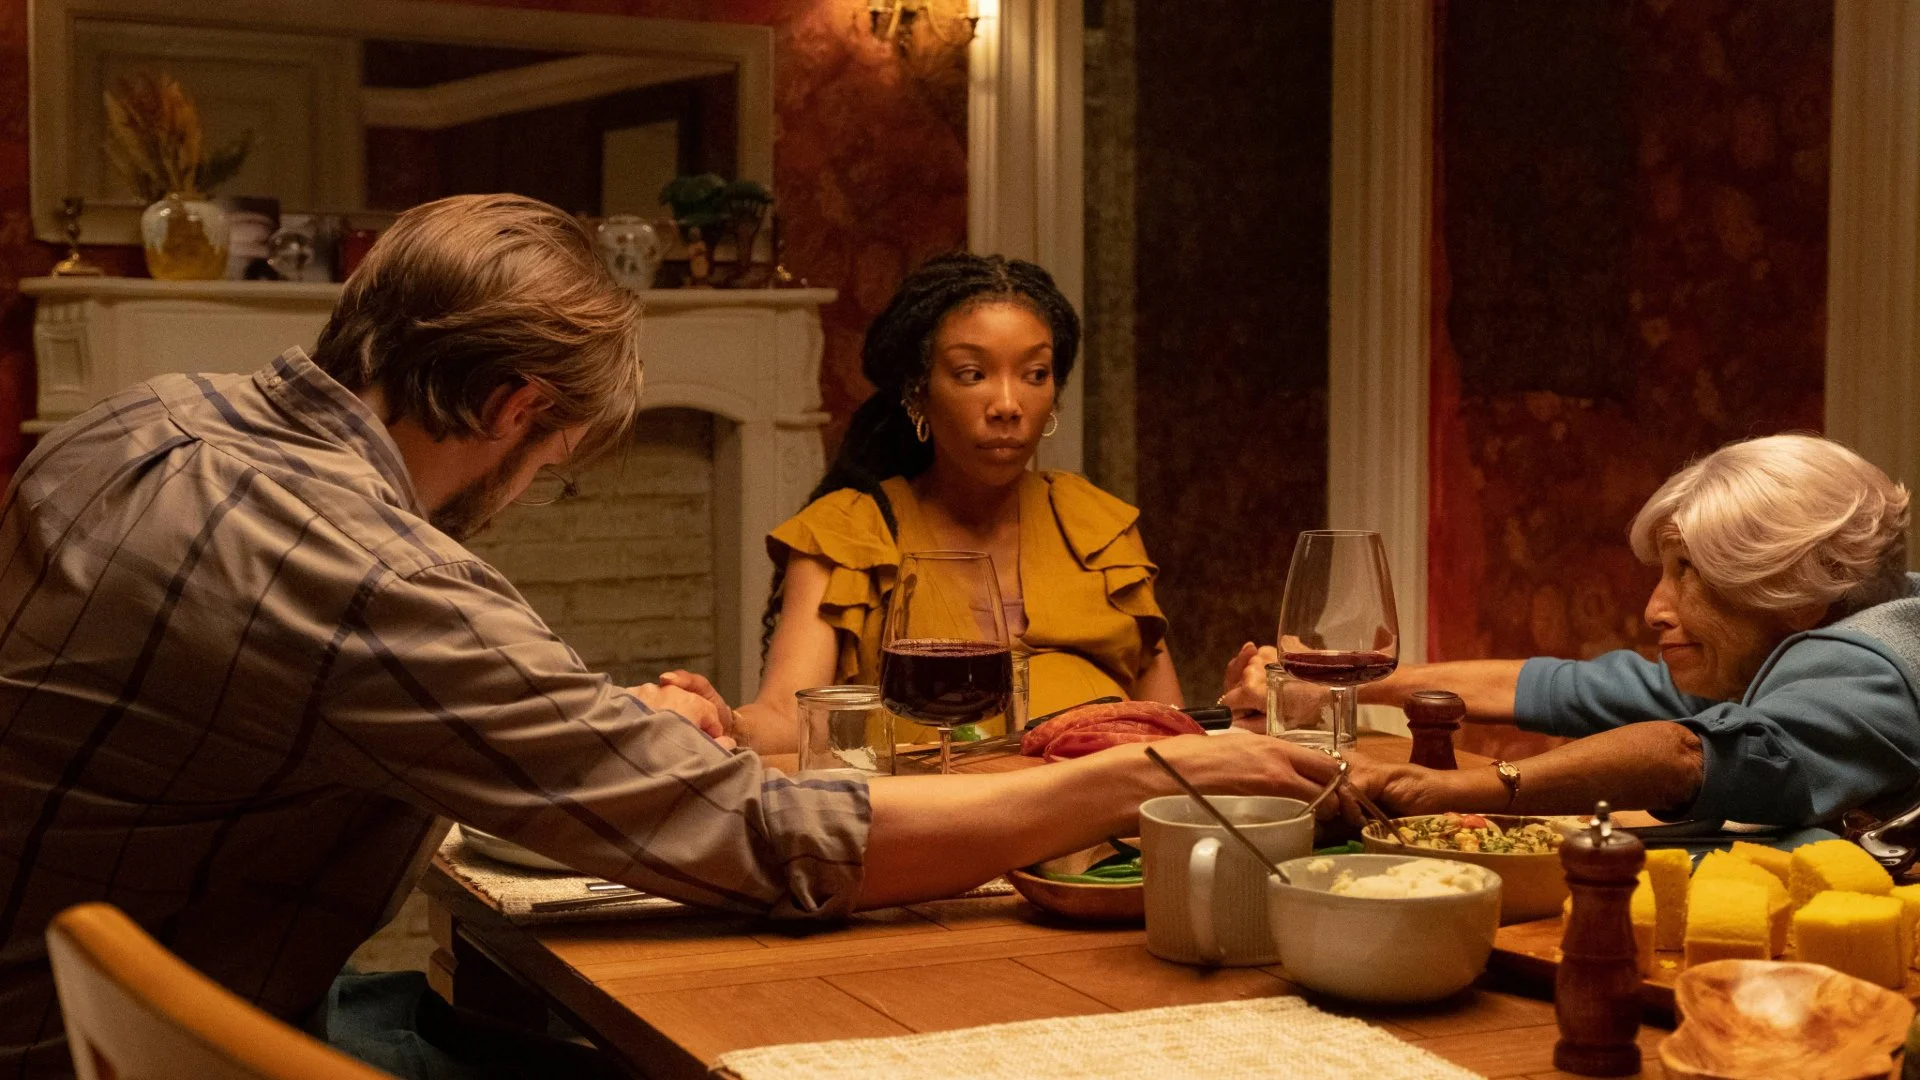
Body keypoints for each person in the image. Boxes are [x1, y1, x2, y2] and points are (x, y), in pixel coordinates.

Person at [0, 195, 1344, 1079]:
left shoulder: (146, 418)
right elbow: (766, 840)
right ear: (515, 408)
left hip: (104, 1002)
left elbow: (347, 700)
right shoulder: (368, 574)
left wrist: (606, 729)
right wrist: (1141, 776)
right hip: (173, 1047)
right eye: (559, 459)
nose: (536, 486)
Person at [716, 253, 1244, 750]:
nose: (1008, 405)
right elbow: (788, 718)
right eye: (973, 374)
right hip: (944, 809)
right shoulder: (849, 533)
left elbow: (1170, 723)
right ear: (917, 392)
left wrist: (1237, 712)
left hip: (1112, 807)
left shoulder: (1096, 525)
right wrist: (720, 721)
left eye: (1035, 375)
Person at [1251, 434, 1916, 828]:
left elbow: (1690, 756)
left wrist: (1460, 789)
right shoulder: (1777, 647)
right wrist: (1344, 682)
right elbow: (1574, 688)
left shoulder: (1872, 673)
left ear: (1801, 593)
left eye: (1688, 572)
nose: (1655, 609)